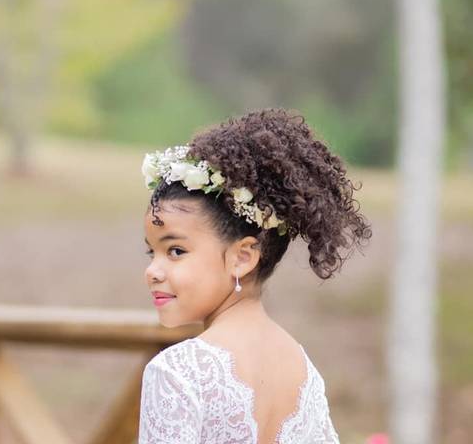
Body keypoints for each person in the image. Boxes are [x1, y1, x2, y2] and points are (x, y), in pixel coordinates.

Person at [138, 109, 370, 443]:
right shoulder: (303, 374)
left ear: (242, 258)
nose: (152, 271)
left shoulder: (179, 373)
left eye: (175, 251)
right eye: (152, 252)